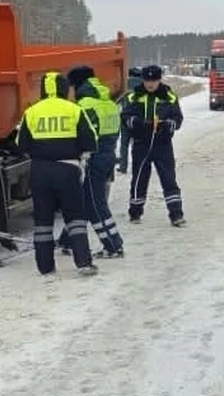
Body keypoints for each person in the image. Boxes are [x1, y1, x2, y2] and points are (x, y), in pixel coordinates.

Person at [16, 71, 99, 277]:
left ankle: (45, 267)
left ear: (44, 89)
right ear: (64, 89)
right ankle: (83, 263)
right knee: (75, 218)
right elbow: (91, 140)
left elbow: (21, 144)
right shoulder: (74, 110)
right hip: (68, 169)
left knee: (42, 221)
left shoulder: (31, 112)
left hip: (40, 171)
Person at [64, 65, 125, 258]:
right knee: (84, 201)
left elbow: (82, 137)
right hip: (107, 156)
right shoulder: (107, 102)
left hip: (93, 160)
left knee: (94, 205)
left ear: (76, 85)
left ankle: (113, 245)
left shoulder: (85, 106)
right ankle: (67, 241)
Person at [121, 64, 185, 226]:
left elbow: (178, 119)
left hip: (162, 144)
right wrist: (135, 122)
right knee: (139, 178)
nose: (150, 84)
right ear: (143, 80)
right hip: (141, 143)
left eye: (154, 80)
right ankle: (135, 212)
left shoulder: (169, 96)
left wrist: (169, 124)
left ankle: (176, 214)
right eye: (147, 80)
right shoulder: (133, 96)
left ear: (159, 80)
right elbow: (125, 117)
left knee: (168, 179)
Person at [116, 66, 143, 174]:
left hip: (125, 119)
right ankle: (139, 166)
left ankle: (123, 167)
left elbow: (117, 101)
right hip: (138, 120)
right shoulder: (143, 86)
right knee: (137, 145)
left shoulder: (124, 85)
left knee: (124, 145)